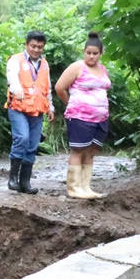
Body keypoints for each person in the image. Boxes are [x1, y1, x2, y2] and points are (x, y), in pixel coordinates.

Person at [55, 32, 111, 199]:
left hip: (101, 118)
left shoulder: (103, 69)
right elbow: (60, 87)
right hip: (80, 116)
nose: (91, 56)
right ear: (84, 51)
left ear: (101, 53)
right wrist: (73, 104)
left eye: (95, 53)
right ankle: (74, 188)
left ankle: (86, 187)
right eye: (88, 53)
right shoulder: (77, 67)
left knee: (92, 151)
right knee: (78, 150)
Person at [5, 31, 55, 195]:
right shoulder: (16, 60)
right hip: (18, 108)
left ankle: (25, 182)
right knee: (22, 138)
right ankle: (13, 178)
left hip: (37, 110)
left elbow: (47, 87)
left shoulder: (45, 64)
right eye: (33, 46)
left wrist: (51, 107)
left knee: (33, 145)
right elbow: (12, 77)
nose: (36, 50)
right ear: (26, 44)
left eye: (40, 47)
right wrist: (17, 90)